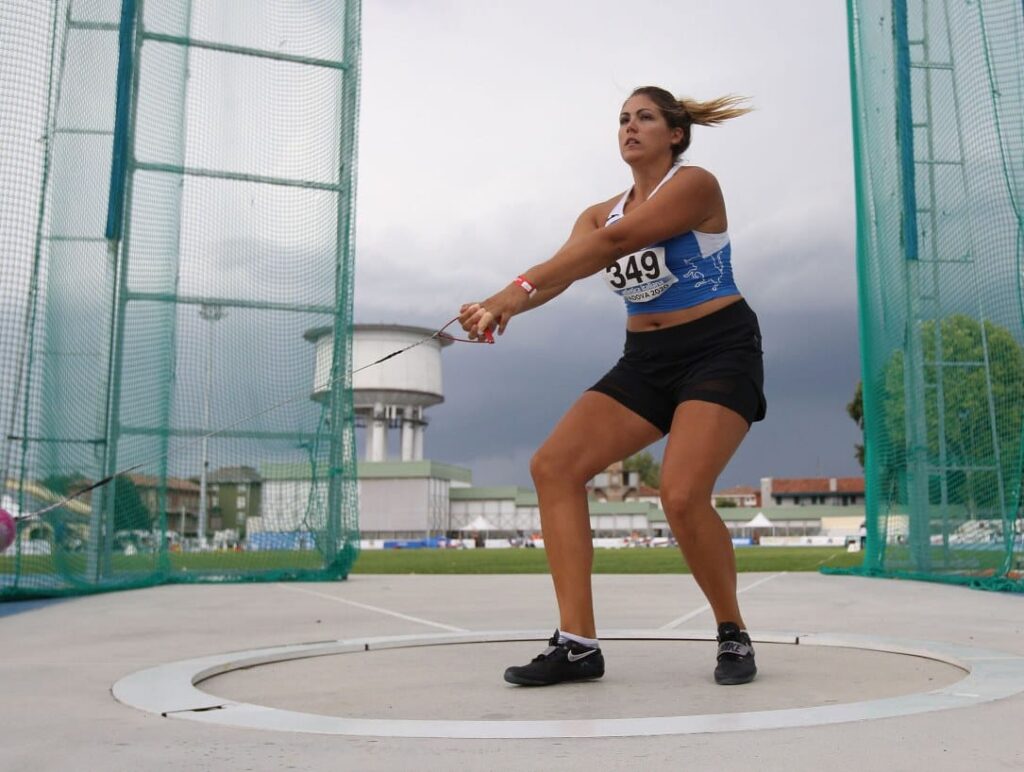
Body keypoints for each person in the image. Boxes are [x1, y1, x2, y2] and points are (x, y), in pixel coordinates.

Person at [458, 86, 765, 687]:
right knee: (554, 466)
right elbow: (567, 270)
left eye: (644, 118)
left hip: (718, 349)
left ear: (674, 133)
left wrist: (510, 290)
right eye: (622, 119)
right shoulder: (598, 213)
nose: (630, 127)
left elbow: (616, 246)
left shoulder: (695, 184)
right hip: (646, 359)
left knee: (679, 495)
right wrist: (507, 309)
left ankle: (732, 633)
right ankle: (577, 645)